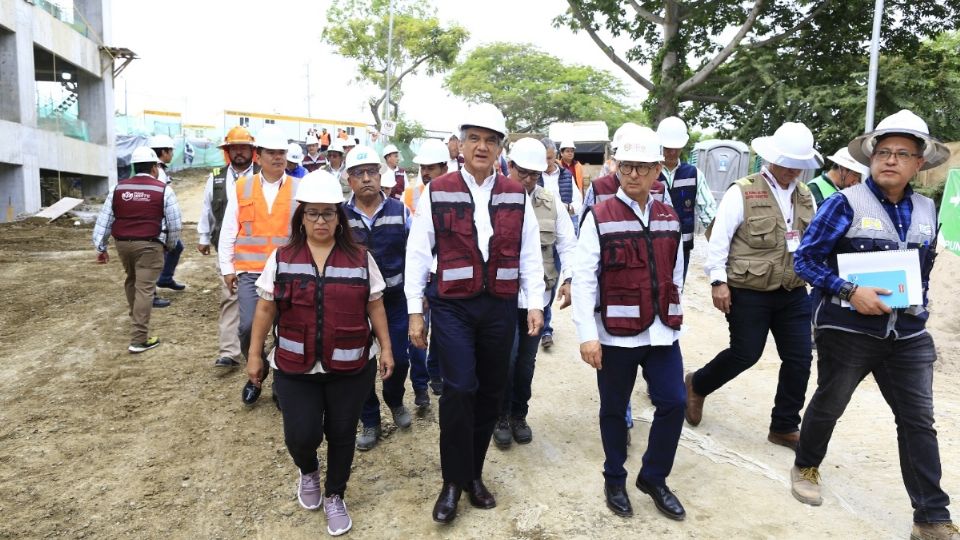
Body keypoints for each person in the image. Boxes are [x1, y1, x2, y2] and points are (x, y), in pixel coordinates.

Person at [789, 110, 959, 540]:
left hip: (908, 333)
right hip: (847, 331)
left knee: (918, 421)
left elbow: (924, 263)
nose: (890, 160)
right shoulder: (843, 203)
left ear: (919, 164)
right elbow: (804, 260)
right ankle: (806, 466)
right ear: (870, 158)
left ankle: (931, 516)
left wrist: (918, 302)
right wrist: (849, 291)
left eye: (902, 154)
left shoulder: (927, 208)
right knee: (831, 402)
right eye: (883, 152)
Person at [405, 103, 545, 524]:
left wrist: (534, 302)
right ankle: (451, 482)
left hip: (500, 305)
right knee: (460, 388)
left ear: (501, 148)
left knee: (490, 391)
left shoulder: (515, 194)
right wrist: (416, 311)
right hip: (453, 306)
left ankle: (473, 476)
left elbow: (529, 253)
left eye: (491, 140)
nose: (482, 146)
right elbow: (417, 252)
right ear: (460, 144)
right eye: (474, 138)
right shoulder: (439, 189)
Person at [246, 173, 395, 537]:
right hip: (295, 367)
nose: (320, 222)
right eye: (312, 214)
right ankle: (308, 470)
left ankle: (335, 494)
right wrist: (255, 355)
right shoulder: (282, 258)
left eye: (328, 214)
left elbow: (375, 306)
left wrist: (387, 348)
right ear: (301, 216)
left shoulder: (360, 258)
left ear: (339, 216)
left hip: (350, 364)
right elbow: (265, 310)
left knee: (342, 433)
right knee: (301, 434)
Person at [572, 126, 688, 521]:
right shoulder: (599, 215)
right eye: (626, 166)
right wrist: (588, 335)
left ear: (658, 169)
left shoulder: (669, 216)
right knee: (613, 409)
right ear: (616, 166)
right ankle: (615, 476)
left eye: (642, 167)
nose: (633, 174)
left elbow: (677, 271)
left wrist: (672, 311)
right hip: (615, 335)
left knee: (674, 401)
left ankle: (654, 477)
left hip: (661, 332)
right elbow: (585, 279)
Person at [687, 122, 821, 450]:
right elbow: (718, 241)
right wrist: (718, 281)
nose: (792, 170)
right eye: (787, 162)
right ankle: (697, 384)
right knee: (746, 353)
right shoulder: (743, 191)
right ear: (772, 158)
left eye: (797, 164)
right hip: (748, 290)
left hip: (792, 291)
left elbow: (812, 241)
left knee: (801, 358)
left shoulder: (805, 196)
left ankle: (784, 425)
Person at [492, 138, 576, 449]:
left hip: (537, 298)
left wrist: (568, 278)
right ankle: (499, 415)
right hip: (500, 298)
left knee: (526, 362)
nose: (528, 180)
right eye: (523, 172)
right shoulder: (493, 198)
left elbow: (568, 244)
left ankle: (518, 414)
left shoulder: (551, 203)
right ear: (510, 166)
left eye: (535, 175)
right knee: (506, 359)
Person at [341, 145, 425, 452]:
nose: (366, 179)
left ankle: (395, 399)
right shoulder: (340, 216)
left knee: (399, 358)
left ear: (381, 176)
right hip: (355, 304)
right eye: (358, 174)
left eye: (371, 172)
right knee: (360, 363)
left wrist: (420, 292)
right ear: (349, 180)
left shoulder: (400, 210)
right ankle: (371, 419)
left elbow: (415, 254)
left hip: (394, 300)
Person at [219, 125, 300, 406]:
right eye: (272, 152)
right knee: (248, 326)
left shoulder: (299, 188)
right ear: (259, 155)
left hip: (288, 272)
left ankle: (281, 382)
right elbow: (230, 228)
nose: (278, 157)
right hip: (251, 272)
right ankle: (258, 370)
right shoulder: (242, 187)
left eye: (282, 153)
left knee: (285, 329)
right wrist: (227, 267)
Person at [92, 147, 182, 353]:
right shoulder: (163, 190)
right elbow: (175, 223)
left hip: (123, 244)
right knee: (145, 288)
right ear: (154, 167)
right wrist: (169, 244)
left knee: (132, 281)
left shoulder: (118, 189)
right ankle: (139, 338)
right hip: (150, 244)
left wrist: (101, 246)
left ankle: (136, 322)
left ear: (134, 167)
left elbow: (106, 219)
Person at [197, 126, 260, 368]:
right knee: (230, 296)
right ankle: (229, 351)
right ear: (228, 152)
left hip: (258, 250)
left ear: (252, 151)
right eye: (235, 148)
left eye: (244, 148)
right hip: (228, 248)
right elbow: (207, 208)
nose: (240, 153)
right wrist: (204, 237)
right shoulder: (216, 176)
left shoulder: (262, 174)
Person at [403, 138, 451, 396]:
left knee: (443, 330)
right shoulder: (411, 194)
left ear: (444, 167)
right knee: (419, 328)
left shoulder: (456, 192)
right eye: (423, 167)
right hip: (423, 273)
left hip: (445, 273)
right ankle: (421, 383)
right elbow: (413, 244)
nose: (425, 172)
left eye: (431, 167)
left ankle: (435, 373)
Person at [656, 116, 719, 282]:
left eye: (676, 148)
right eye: (668, 148)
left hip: (682, 247)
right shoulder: (648, 171)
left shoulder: (694, 174)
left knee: (676, 291)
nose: (672, 152)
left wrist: (719, 246)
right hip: (653, 245)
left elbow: (708, 211)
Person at [538, 137, 582, 350]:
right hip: (538, 239)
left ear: (555, 156)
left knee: (550, 282)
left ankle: (545, 324)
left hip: (559, 236)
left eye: (549, 158)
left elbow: (579, 203)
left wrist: (564, 208)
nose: (546, 162)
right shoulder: (533, 175)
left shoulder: (566, 176)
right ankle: (541, 325)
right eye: (543, 158)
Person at [148, 134, 184, 305]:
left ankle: (165, 278)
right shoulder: (159, 173)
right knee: (155, 258)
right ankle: (152, 293)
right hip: (158, 224)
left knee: (176, 247)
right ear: (163, 151)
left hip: (156, 222)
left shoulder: (156, 169)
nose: (172, 154)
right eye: (170, 151)